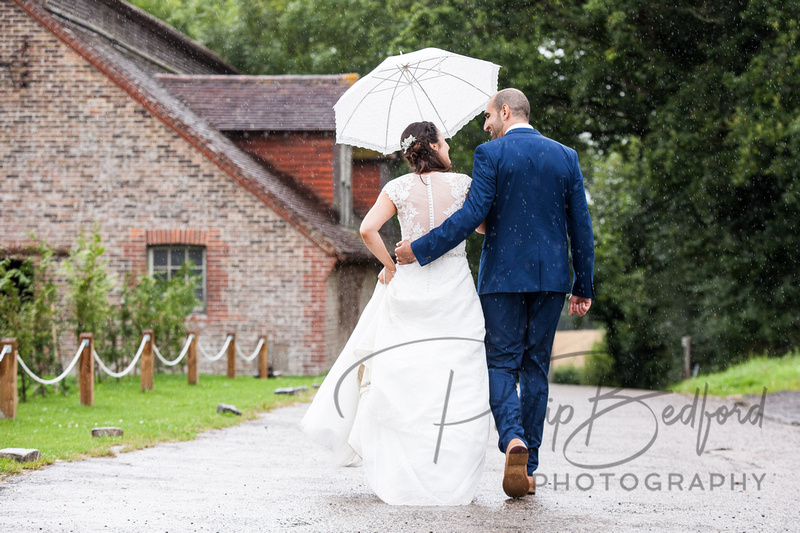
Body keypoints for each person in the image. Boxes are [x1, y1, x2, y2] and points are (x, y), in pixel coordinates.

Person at [395, 88, 595, 498]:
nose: (485, 125)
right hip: (552, 279)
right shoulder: (565, 156)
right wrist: (583, 284)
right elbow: (582, 227)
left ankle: (513, 439)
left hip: (502, 277)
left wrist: (421, 248)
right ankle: (530, 465)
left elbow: (471, 216)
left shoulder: (492, 156)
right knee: (536, 367)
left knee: (501, 364)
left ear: (506, 111)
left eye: (488, 116)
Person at [300, 121, 490, 506]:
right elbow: (484, 228)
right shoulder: (464, 184)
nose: (449, 145)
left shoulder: (397, 188)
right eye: (445, 140)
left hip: (411, 286)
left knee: (408, 380)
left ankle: (406, 472)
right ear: (433, 146)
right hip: (454, 289)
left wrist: (390, 265)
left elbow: (369, 229)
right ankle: (449, 473)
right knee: (455, 380)